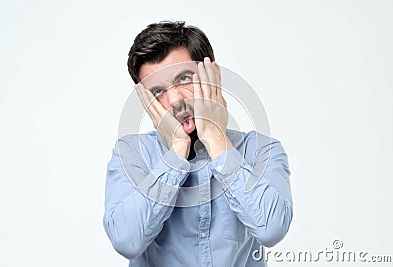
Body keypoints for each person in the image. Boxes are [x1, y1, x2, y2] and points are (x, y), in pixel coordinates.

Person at [103, 21, 293, 267]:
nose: (173, 99)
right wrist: (176, 152)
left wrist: (214, 137)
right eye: (158, 91)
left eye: (183, 78)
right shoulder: (130, 154)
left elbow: (271, 229)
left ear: (212, 77)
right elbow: (127, 242)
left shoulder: (261, 150)